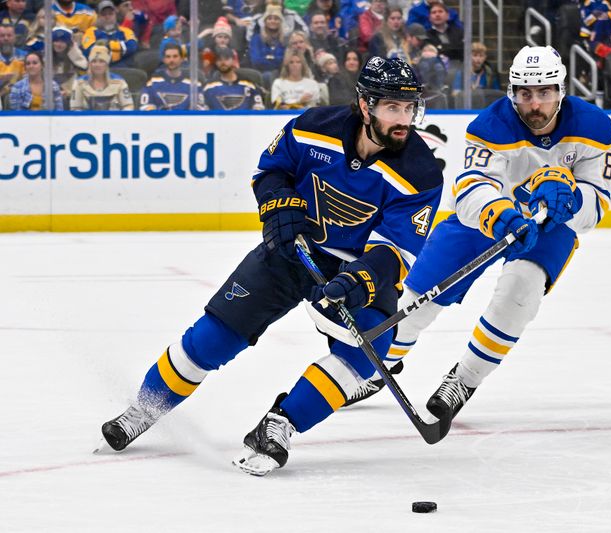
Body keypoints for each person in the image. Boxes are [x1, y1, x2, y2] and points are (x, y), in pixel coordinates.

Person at [97, 58, 443, 478]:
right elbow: (271, 170)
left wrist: (358, 280)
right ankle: (145, 408)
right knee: (216, 335)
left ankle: (279, 425)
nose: (404, 118)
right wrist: (280, 205)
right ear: (365, 105)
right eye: (393, 107)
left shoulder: (422, 171)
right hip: (292, 251)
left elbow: (397, 250)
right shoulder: (314, 126)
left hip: (355, 269)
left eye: (410, 108)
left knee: (369, 350)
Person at [331, 45, 611, 432]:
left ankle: (464, 379)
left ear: (560, 90)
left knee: (520, 292)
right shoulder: (490, 125)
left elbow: (596, 206)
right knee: (417, 299)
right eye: (525, 94)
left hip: (549, 226)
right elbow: (471, 190)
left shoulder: (595, 127)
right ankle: (377, 368)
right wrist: (500, 214)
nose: (534, 104)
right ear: (513, 92)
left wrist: (573, 202)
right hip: (490, 218)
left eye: (544, 93)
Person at [70, 44, 135, 110]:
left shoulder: (119, 82)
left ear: (107, 64)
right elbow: (75, 108)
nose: (97, 65)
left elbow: (128, 106)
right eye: (94, 61)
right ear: (90, 64)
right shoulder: (79, 83)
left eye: (101, 61)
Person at [140, 42, 202, 110]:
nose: (171, 60)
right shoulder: (152, 82)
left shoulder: (194, 85)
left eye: (175, 56)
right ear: (164, 59)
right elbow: (145, 107)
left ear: (182, 59)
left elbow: (201, 110)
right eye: (168, 57)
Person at [203, 45, 265, 110]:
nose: (223, 63)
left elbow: (259, 109)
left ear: (233, 60)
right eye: (219, 60)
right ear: (215, 62)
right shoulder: (209, 87)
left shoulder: (249, 85)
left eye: (226, 59)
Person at [81, 0, 138, 66]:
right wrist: (121, 50)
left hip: (124, 69)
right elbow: (89, 50)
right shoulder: (91, 31)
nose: (107, 17)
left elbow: (132, 46)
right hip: (100, 69)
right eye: (104, 14)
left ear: (115, 15)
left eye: (110, 14)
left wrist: (106, 45)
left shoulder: (126, 31)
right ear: (98, 16)